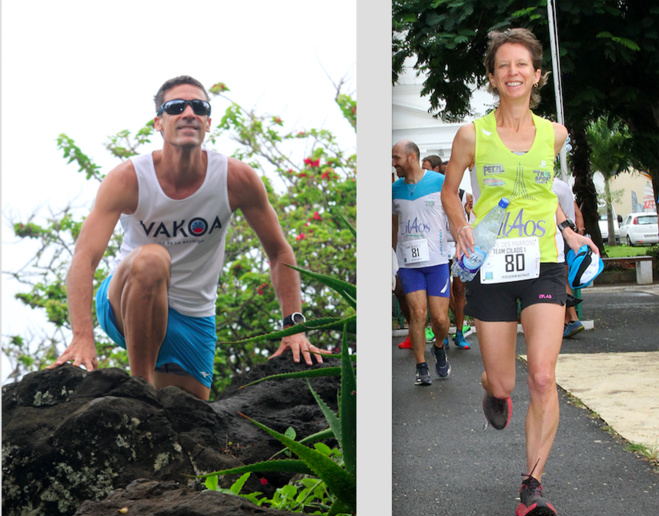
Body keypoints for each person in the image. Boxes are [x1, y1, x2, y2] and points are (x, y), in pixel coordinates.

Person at [49, 75, 326, 401]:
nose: (189, 112)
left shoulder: (236, 179)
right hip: (126, 299)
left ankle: (152, 392)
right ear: (158, 122)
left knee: (188, 418)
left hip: (194, 317)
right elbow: (85, 257)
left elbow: (279, 252)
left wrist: (294, 329)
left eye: (199, 107)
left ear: (208, 122)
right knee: (152, 259)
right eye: (176, 107)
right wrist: (82, 337)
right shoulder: (129, 179)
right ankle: (140, 389)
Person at [441, 29, 599, 516]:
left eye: (522, 64)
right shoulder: (472, 134)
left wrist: (571, 232)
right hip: (491, 264)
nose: (513, 72)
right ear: (492, 76)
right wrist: (461, 225)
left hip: (544, 265)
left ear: (536, 74)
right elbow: (450, 192)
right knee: (507, 382)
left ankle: (532, 485)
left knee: (544, 375)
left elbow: (545, 194)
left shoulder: (555, 133)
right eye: (503, 65)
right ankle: (492, 384)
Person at [393, 140, 451, 386]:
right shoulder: (394, 189)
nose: (393, 163)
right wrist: (390, 258)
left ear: (412, 157)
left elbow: (454, 216)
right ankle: (420, 364)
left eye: (397, 158)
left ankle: (438, 346)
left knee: (439, 319)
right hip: (408, 264)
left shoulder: (439, 183)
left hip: (437, 261)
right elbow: (393, 226)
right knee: (418, 314)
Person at [423, 155, 473, 350]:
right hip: (437, 250)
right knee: (441, 294)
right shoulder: (427, 195)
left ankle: (459, 332)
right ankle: (441, 333)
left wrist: (468, 213)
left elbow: (469, 221)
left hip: (456, 248)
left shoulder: (462, 195)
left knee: (459, 290)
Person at [552, 178, 585, 338]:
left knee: (560, 279)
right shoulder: (563, 185)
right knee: (564, 278)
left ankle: (573, 318)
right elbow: (577, 213)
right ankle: (565, 322)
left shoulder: (548, 186)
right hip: (570, 236)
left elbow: (560, 215)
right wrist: (579, 233)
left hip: (558, 234)